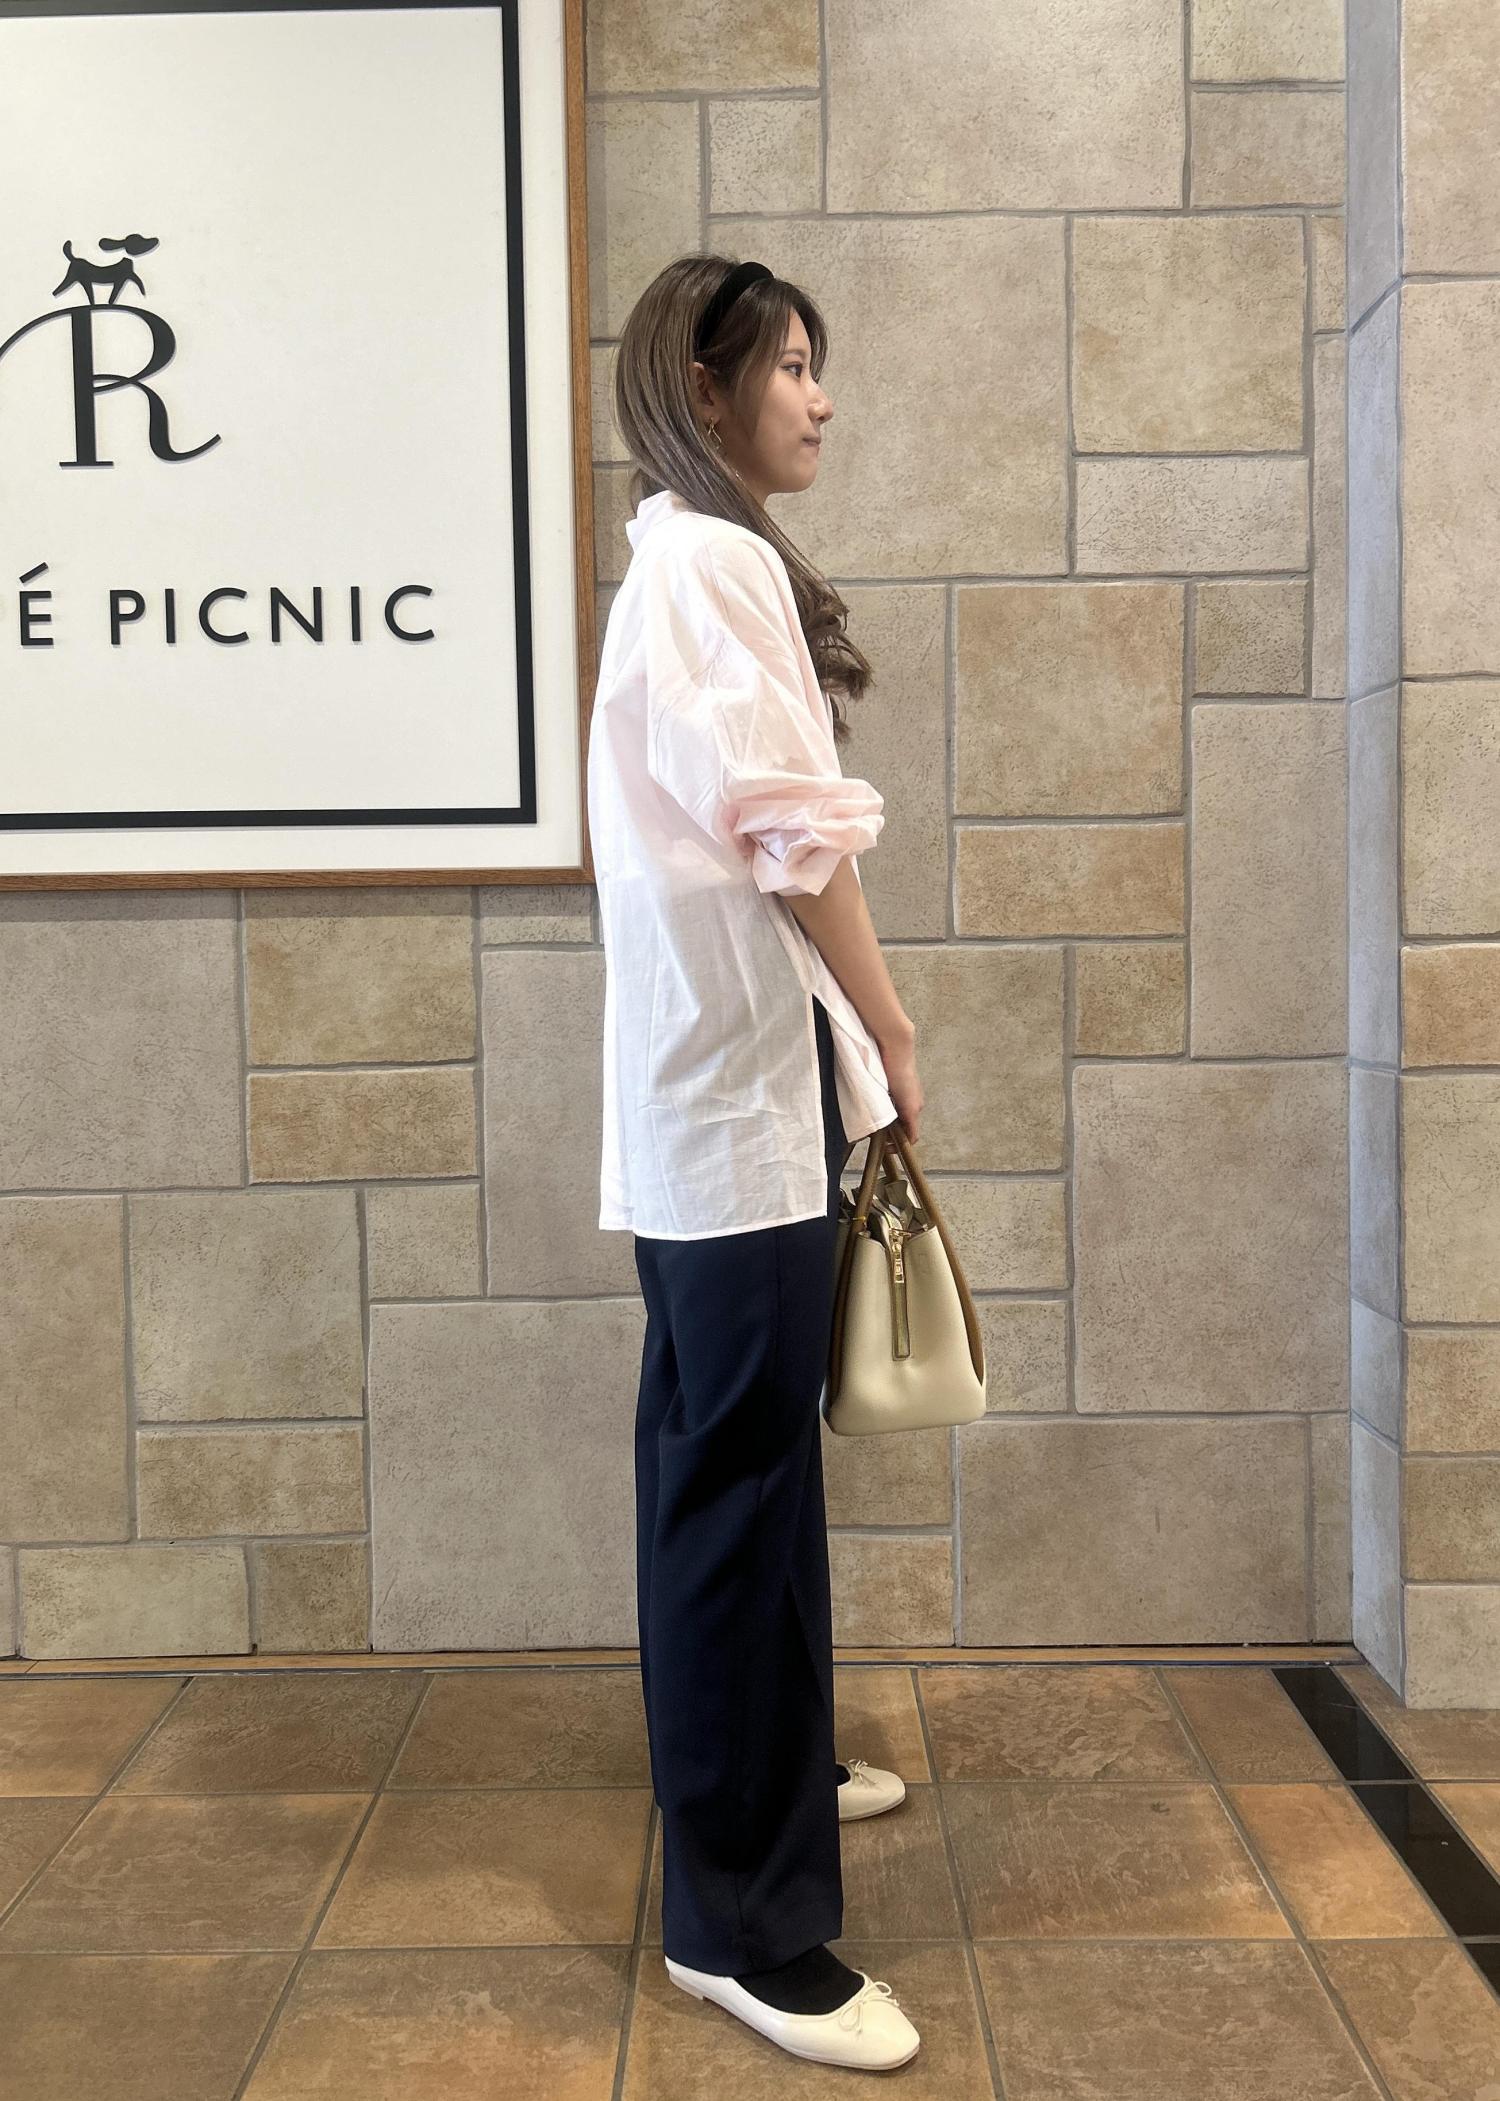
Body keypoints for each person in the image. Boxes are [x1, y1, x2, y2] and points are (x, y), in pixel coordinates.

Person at [586, 254, 925, 2072]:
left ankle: (764, 1771)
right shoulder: (710, 562)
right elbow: (794, 834)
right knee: (733, 1486)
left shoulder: (680, 560)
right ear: (704, 389)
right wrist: (896, 1027)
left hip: (716, 1091)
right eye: (789, 365)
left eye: (817, 362)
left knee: (732, 1468)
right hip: (735, 1095)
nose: (819, 395)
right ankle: (742, 1922)